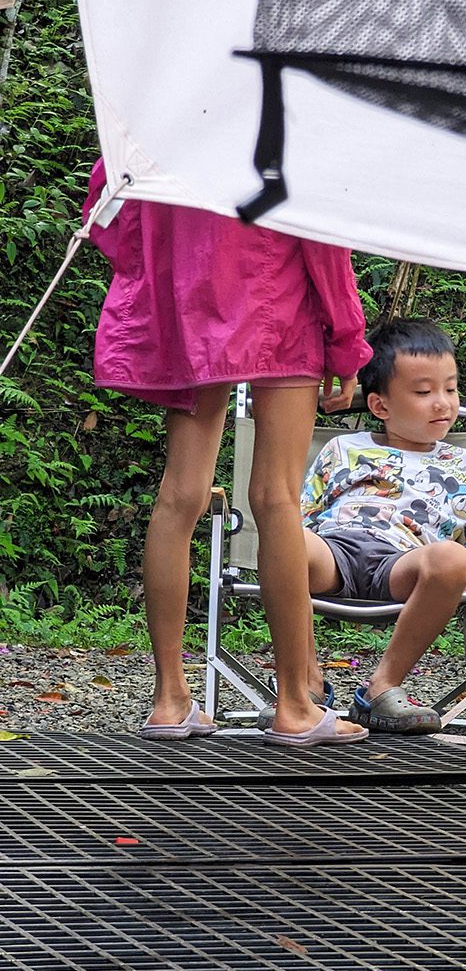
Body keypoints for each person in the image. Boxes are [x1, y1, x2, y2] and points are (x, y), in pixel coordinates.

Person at [85, 160, 370, 746]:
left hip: (190, 310)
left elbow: (107, 207)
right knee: (276, 498)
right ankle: (294, 703)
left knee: (179, 494)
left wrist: (164, 277)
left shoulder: (167, 108)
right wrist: (347, 342)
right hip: (281, 309)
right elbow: (320, 235)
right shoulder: (278, 107)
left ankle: (169, 699)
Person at [301, 319, 466, 734]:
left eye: (450, 388)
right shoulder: (343, 448)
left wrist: (457, 577)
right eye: (424, 392)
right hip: (333, 552)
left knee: (452, 555)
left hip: (402, 563)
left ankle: (382, 685)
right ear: (380, 406)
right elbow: (304, 512)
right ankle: (305, 683)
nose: (443, 403)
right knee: (284, 537)